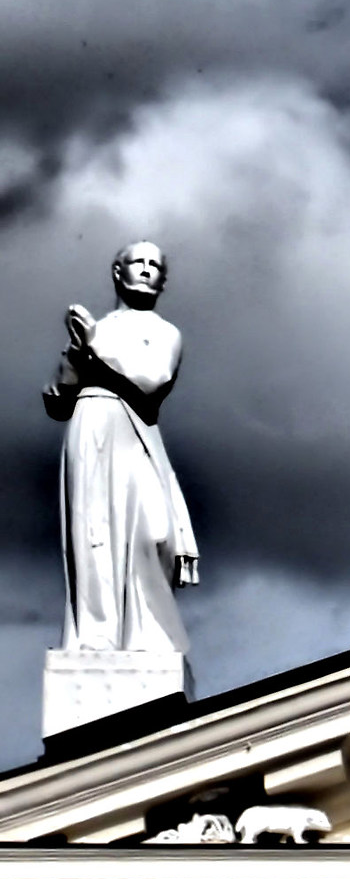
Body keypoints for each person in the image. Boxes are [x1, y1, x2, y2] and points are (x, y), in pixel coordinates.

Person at [46, 242, 198, 655]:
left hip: (137, 430)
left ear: (163, 281)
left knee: (153, 530)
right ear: (118, 272)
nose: (147, 270)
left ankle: (148, 633)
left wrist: (95, 343)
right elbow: (58, 399)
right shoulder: (99, 329)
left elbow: (153, 380)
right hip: (91, 420)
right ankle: (97, 637)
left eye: (155, 265)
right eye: (139, 262)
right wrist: (77, 351)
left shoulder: (164, 333)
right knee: (93, 526)